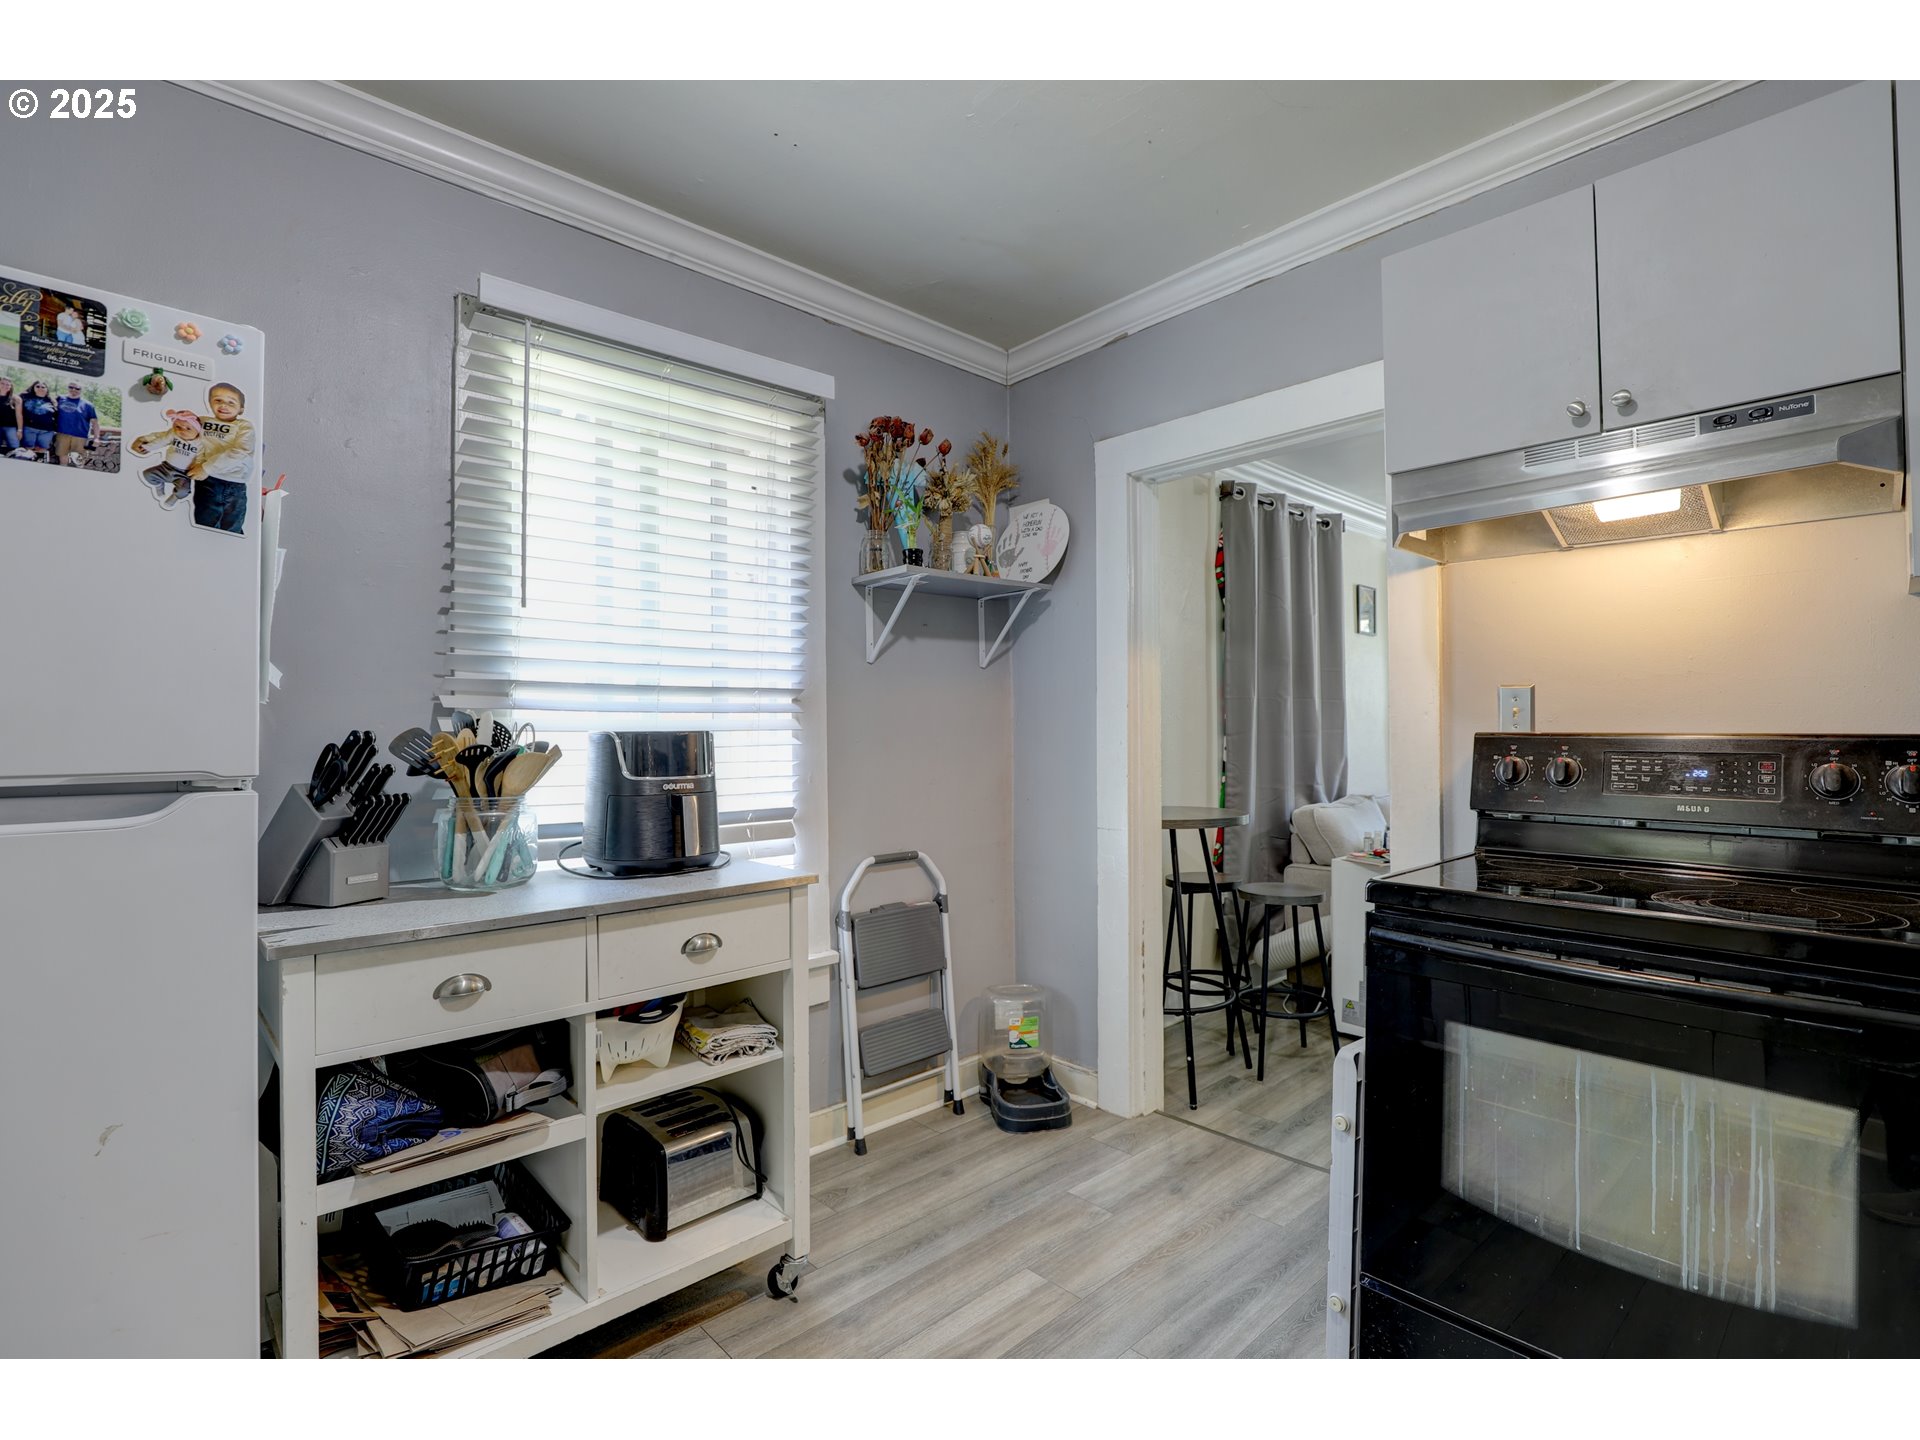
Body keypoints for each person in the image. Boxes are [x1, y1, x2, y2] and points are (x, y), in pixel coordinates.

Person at [187, 382, 254, 535]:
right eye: (218, 400)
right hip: (207, 481)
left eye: (231, 402)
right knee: (206, 526)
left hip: (234, 481)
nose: (224, 405)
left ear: (241, 409)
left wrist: (206, 467)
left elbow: (241, 451)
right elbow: (184, 433)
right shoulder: (202, 421)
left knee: (232, 528)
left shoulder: (244, 426)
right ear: (209, 402)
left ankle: (231, 557)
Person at [129, 409, 204, 508]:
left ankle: (174, 497)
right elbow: (160, 440)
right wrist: (146, 446)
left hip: (183, 474)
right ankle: (159, 486)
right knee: (147, 474)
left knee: (184, 490)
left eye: (188, 428)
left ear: (197, 430)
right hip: (166, 467)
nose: (181, 430)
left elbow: (201, 457)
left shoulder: (200, 443)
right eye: (177, 426)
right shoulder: (173, 435)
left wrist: (197, 466)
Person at [54, 381, 99, 466]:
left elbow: (95, 423)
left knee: (78, 461)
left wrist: (96, 437)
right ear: (67, 387)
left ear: (81, 390)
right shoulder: (60, 399)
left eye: (77, 388)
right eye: (71, 387)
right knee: (62, 458)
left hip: (80, 437)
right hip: (62, 434)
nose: (74, 390)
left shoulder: (88, 405)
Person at [18, 378, 57, 462]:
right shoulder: (25, 396)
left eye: (43, 387)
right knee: (28, 450)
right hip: (29, 428)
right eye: (38, 386)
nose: (40, 388)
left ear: (47, 389)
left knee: (42, 450)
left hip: (47, 431)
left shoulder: (51, 400)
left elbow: (56, 415)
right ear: (33, 387)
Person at [0, 376, 21, 454]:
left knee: (15, 448)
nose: (5, 386)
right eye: (2, 383)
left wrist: (20, 430)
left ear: (11, 386)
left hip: (10, 427)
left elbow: (19, 415)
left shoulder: (15, 398)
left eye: (8, 384)